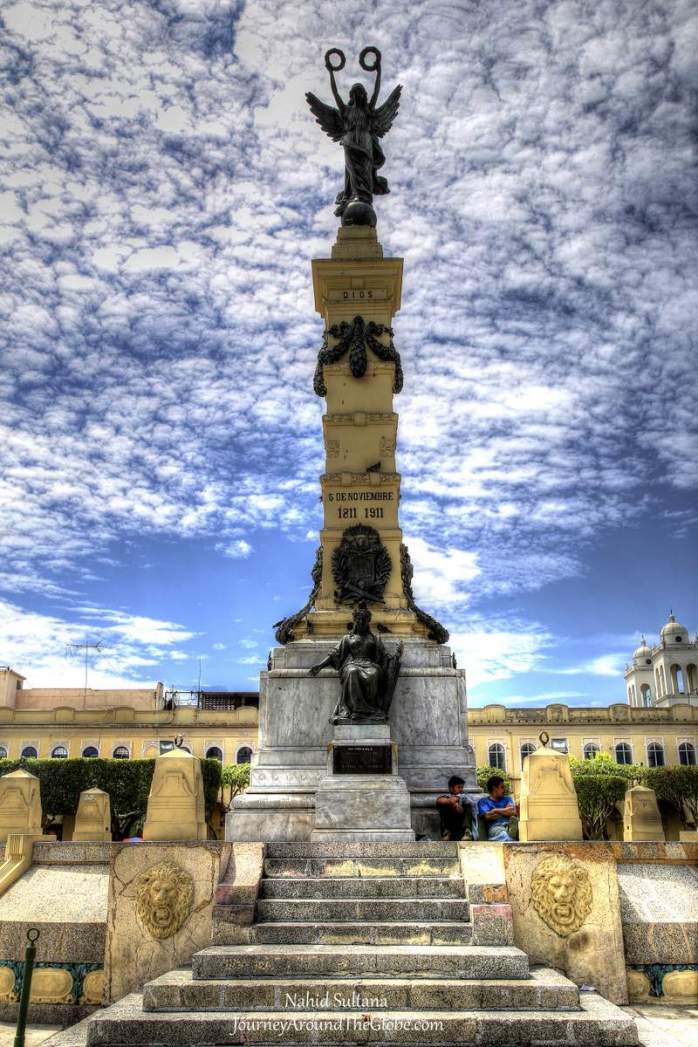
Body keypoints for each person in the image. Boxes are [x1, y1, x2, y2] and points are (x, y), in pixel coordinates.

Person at [478, 775, 518, 841]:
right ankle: (511, 836)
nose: (504, 790)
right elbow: (488, 816)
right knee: (505, 836)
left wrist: (495, 810)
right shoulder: (484, 801)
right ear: (494, 788)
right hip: (495, 827)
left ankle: (511, 833)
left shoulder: (508, 799)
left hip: (509, 825)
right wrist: (505, 811)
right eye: (502, 787)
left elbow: (513, 812)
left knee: (518, 831)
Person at [436, 775, 476, 841]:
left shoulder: (465, 798)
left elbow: (465, 807)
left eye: (462, 787)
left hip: (461, 828)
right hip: (450, 827)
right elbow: (440, 801)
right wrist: (454, 803)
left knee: (469, 804)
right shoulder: (444, 797)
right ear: (451, 788)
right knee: (446, 804)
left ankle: (468, 832)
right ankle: (446, 832)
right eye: (459, 787)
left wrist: (458, 805)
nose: (461, 790)